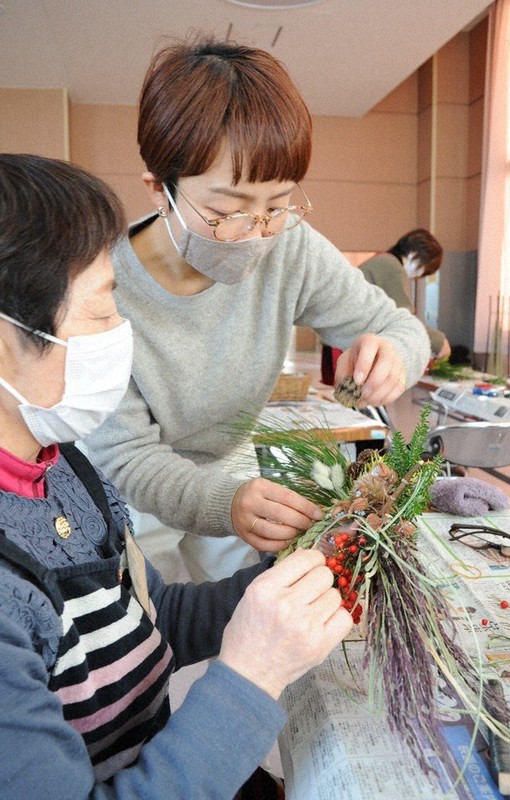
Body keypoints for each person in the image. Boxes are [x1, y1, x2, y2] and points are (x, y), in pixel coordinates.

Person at [0, 153, 353, 799]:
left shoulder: (63, 466)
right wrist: (250, 677)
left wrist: (282, 588)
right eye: (103, 311)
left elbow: (147, 616)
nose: (122, 335)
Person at [86, 36, 431, 583]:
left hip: (233, 466)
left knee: (240, 608)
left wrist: (394, 354)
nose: (258, 233)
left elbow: (399, 326)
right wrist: (226, 503)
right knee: (154, 630)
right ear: (159, 190)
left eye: (278, 203)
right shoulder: (100, 287)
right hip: (130, 490)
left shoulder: (290, 244)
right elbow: (129, 459)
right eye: (226, 211)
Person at [321, 229, 451, 385]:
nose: (418, 276)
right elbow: (405, 316)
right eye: (423, 269)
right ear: (414, 254)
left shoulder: (382, 260)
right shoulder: (391, 266)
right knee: (354, 400)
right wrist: (439, 342)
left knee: (351, 401)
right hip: (346, 346)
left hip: (340, 342)